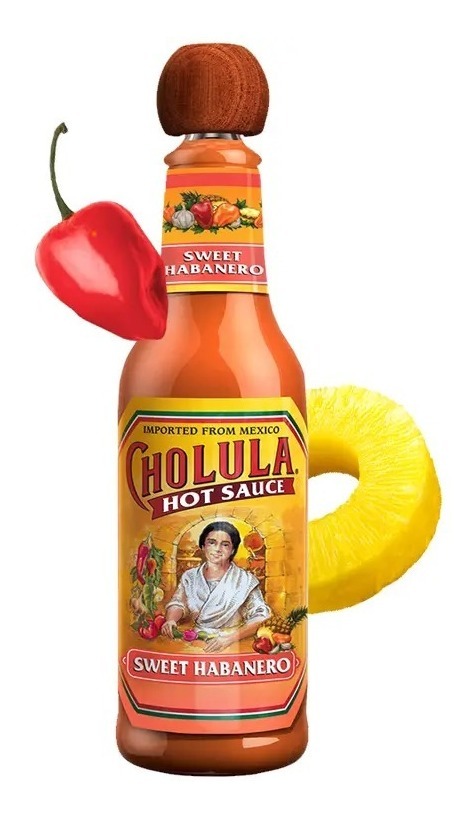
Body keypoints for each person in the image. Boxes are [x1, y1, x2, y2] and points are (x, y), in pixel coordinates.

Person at [162, 520, 271, 653]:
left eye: (225, 544)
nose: (217, 549)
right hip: (195, 642)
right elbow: (178, 602)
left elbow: (261, 616)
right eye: (212, 542)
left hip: (234, 644)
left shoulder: (245, 580)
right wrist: (171, 620)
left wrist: (229, 638)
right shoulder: (190, 577)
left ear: (232, 550)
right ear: (203, 546)